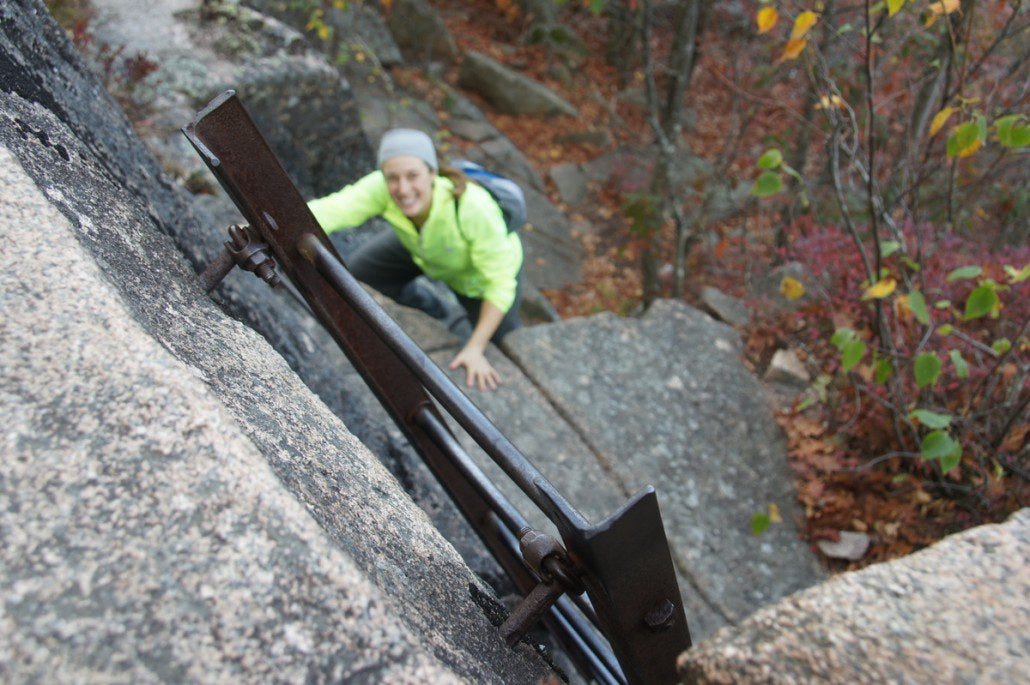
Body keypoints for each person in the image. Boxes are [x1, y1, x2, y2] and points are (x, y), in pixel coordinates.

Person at [308, 128, 523, 391]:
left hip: (476, 276)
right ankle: (434, 310)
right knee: (361, 270)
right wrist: (271, 221)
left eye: (413, 176)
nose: (403, 189)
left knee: (504, 341)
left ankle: (473, 331)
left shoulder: (472, 207)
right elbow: (333, 210)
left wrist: (476, 347)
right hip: (422, 249)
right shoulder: (381, 187)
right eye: (393, 178)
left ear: (433, 174)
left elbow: (500, 285)